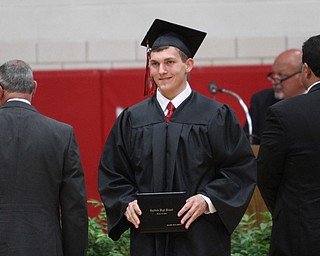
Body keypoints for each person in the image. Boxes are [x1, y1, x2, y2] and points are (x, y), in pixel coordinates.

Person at [98, 19, 256, 256]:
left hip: (200, 237)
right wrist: (126, 202)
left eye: (169, 62)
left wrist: (207, 199)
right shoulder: (133, 118)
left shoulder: (215, 115)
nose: (161, 71)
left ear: (188, 64)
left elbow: (239, 169)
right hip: (147, 239)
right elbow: (113, 173)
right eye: (155, 64)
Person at [0, 59, 88, 256]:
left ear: (0, 90)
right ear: (34, 88)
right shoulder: (62, 135)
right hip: (45, 247)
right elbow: (75, 211)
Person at [257, 34, 320, 255]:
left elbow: (266, 176)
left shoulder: (285, 113)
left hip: (300, 231)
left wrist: (286, 210)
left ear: (306, 69)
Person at [244, 49, 305, 144]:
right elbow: (248, 143)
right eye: (273, 75)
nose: (274, 82)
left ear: (303, 76)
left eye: (281, 76)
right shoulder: (261, 101)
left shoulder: (315, 102)